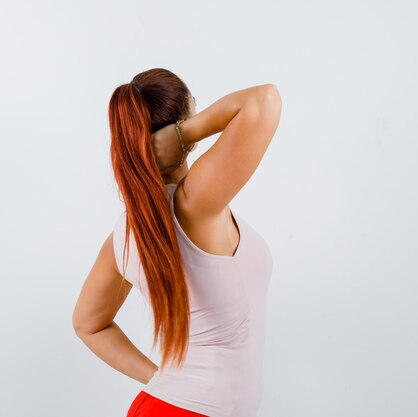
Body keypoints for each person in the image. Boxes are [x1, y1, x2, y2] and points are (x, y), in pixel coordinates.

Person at [72, 68, 282, 417]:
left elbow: (88, 324)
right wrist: (186, 134)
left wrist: (164, 383)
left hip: (167, 407)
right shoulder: (194, 203)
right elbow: (264, 101)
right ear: (182, 123)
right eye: (195, 111)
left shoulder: (126, 233)